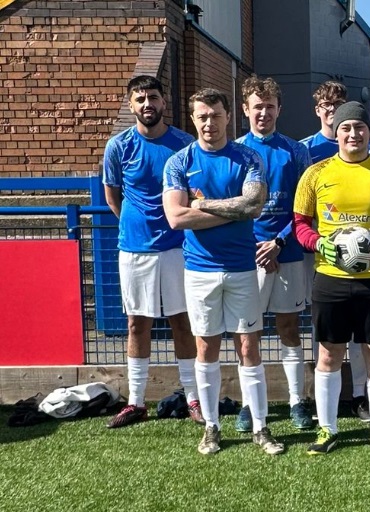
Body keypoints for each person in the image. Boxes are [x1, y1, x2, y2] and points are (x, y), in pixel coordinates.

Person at [163, 88, 284, 456]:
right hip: (199, 271)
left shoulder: (247, 157)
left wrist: (201, 205)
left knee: (249, 347)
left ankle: (260, 427)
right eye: (201, 116)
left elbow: (254, 205)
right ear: (193, 119)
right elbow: (175, 217)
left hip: (242, 268)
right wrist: (228, 209)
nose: (208, 122)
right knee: (206, 348)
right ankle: (212, 427)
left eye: (215, 115)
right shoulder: (179, 162)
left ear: (228, 116)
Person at [293, 101, 370, 456]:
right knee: (328, 355)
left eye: (359, 128)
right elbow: (300, 223)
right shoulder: (315, 174)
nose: (353, 134)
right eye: (346, 128)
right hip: (329, 278)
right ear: (336, 132)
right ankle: (326, 430)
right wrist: (318, 244)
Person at [102, 75, 202, 429]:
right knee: (136, 322)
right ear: (131, 105)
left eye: (153, 98)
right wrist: (137, 223)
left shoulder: (184, 143)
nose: (148, 104)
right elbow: (113, 196)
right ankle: (136, 402)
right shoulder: (118, 146)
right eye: (140, 99)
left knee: (181, 320)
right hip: (134, 248)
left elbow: (195, 193)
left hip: (178, 247)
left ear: (164, 102)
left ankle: (193, 398)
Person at [234, 76, 314, 432]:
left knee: (289, 327)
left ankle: (297, 400)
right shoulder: (234, 150)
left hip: (288, 252)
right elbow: (230, 206)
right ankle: (250, 404)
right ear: (245, 110)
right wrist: (253, 245)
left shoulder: (296, 151)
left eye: (270, 106)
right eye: (257, 106)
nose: (263, 113)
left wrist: (279, 242)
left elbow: (304, 209)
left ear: (279, 109)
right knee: (246, 333)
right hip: (247, 255)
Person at [299, 80, 370, 421]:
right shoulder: (305, 151)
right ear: (318, 111)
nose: (334, 116)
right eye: (327, 110)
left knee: (364, 335)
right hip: (318, 255)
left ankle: (360, 395)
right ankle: (320, 403)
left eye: (340, 108)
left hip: (364, 257)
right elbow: (300, 209)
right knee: (326, 334)